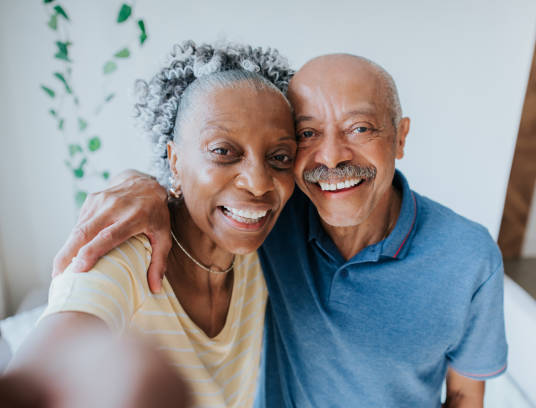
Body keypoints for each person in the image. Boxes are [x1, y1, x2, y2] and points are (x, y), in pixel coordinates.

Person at [54, 53, 508, 407]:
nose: (331, 157)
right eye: (308, 135)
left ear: (401, 136)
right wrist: (143, 185)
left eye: (361, 127)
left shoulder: (469, 256)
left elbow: (466, 395)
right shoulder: (270, 217)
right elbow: (210, 190)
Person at [9, 41, 297, 408]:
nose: (259, 183)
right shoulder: (126, 250)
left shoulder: (273, 245)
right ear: (174, 160)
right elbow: (49, 364)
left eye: (279, 157)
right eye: (223, 151)